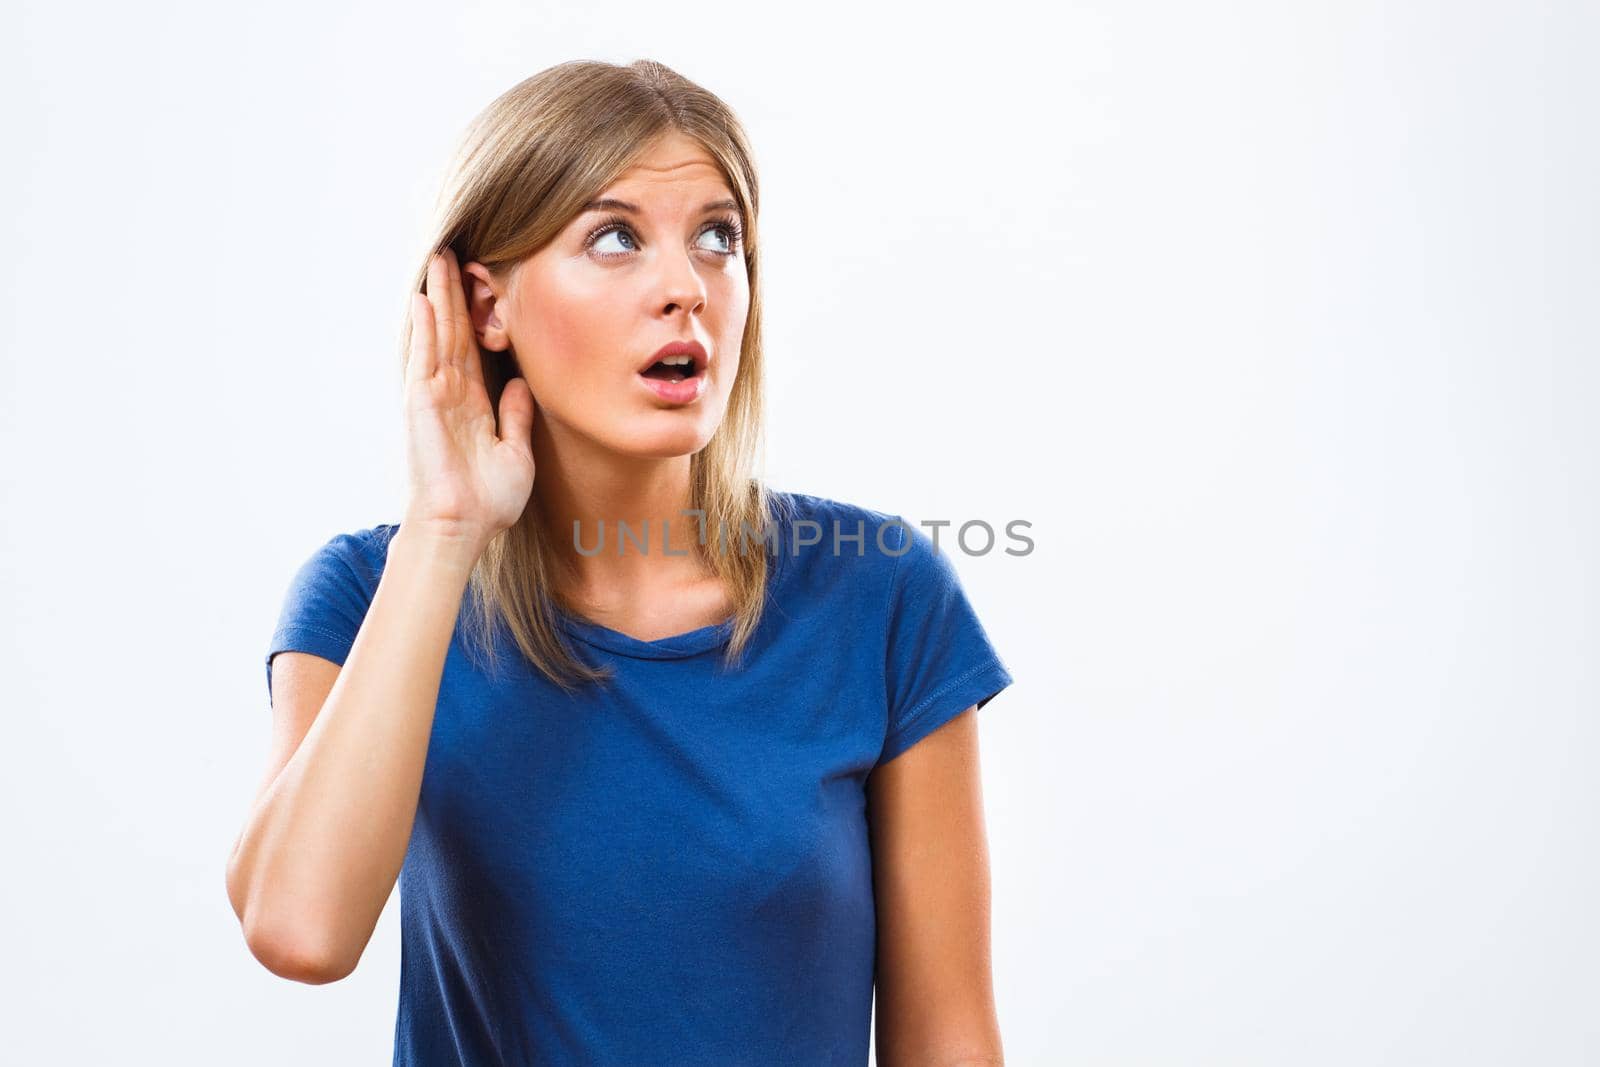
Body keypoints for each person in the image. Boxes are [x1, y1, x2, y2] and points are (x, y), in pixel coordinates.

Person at [225, 58, 1014, 1067]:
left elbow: (947, 1041)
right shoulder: (368, 594)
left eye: (717, 238)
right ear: (482, 304)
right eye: (613, 238)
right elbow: (299, 930)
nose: (684, 286)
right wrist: (445, 526)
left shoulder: (883, 595)